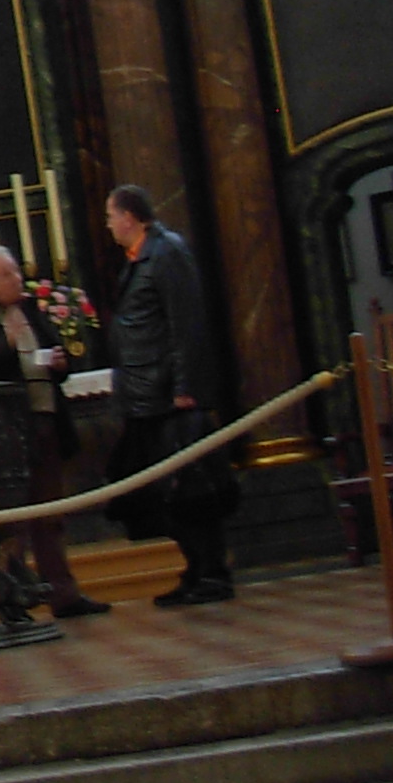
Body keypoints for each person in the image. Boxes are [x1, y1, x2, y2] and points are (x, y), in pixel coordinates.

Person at [0, 245, 110, 618]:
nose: (17, 279)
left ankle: (63, 594)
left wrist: (59, 363)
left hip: (46, 421)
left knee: (50, 514)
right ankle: (12, 598)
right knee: (14, 521)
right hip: (8, 431)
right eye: (7, 275)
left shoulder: (31, 310)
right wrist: (5, 342)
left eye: (16, 271)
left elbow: (56, 356)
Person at [100, 183, 240, 605]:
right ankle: (195, 568)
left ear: (129, 217)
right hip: (145, 397)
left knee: (192, 489)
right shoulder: (139, 259)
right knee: (163, 494)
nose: (108, 224)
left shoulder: (166, 253)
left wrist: (185, 388)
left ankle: (212, 572)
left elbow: (186, 325)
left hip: (168, 397)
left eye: (111, 215)